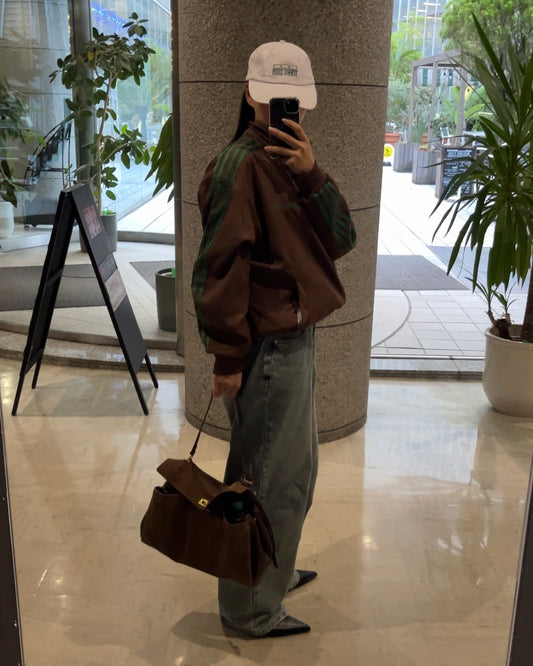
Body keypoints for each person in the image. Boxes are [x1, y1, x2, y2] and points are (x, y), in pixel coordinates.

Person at [192, 41, 357, 638]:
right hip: (265, 351)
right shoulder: (238, 167)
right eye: (273, 99)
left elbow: (342, 239)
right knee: (269, 482)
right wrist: (228, 356)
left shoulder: (290, 164)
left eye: (294, 101)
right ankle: (251, 607)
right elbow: (219, 269)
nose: (287, 111)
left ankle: (272, 572)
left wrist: (312, 172)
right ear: (249, 94)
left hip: (293, 340)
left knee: (290, 475)